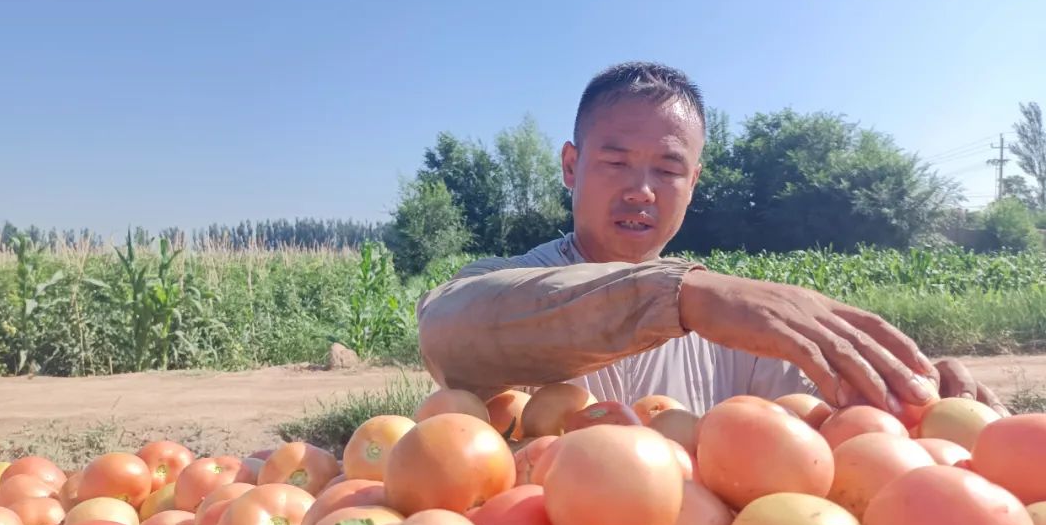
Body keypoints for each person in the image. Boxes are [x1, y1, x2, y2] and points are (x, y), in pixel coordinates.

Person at [416, 61, 1009, 418]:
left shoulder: (738, 325)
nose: (642, 190)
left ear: (694, 182)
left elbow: (824, 415)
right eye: (616, 162)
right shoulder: (514, 286)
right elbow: (445, 331)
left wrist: (919, 388)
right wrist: (681, 299)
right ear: (571, 166)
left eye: (668, 170)